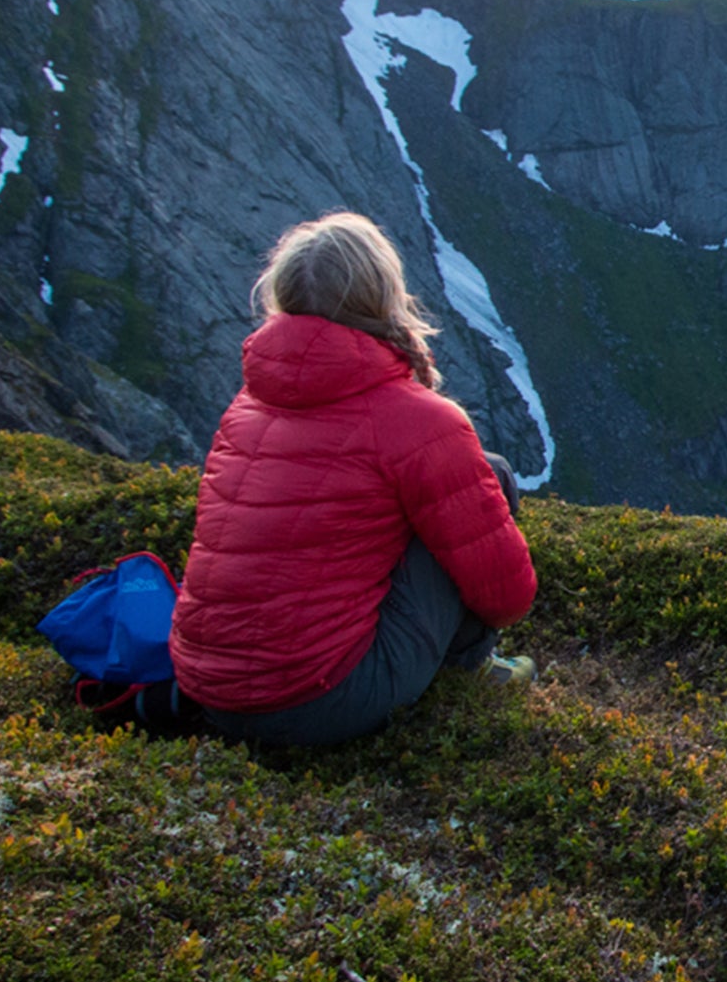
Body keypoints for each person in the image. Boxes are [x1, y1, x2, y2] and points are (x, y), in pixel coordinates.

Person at [169, 211, 539, 746]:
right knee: (488, 474)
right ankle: (472, 668)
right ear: (382, 298)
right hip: (319, 702)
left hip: (208, 690)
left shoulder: (246, 408)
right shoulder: (419, 421)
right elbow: (508, 596)